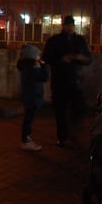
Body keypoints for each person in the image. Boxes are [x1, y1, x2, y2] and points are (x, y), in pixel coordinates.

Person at [42, 15, 92, 148]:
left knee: (78, 108)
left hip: (76, 80)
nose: (70, 28)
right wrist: (61, 60)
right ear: (63, 26)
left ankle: (73, 132)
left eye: (72, 25)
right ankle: (62, 137)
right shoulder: (55, 41)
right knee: (60, 110)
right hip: (59, 80)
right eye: (67, 25)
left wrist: (80, 58)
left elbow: (88, 58)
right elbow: (46, 58)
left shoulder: (80, 40)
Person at [18, 44, 49, 151]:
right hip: (32, 97)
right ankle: (26, 140)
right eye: (37, 55)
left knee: (28, 118)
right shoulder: (32, 68)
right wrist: (44, 65)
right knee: (28, 119)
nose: (39, 57)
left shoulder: (27, 67)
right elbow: (44, 77)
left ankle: (26, 139)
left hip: (30, 96)